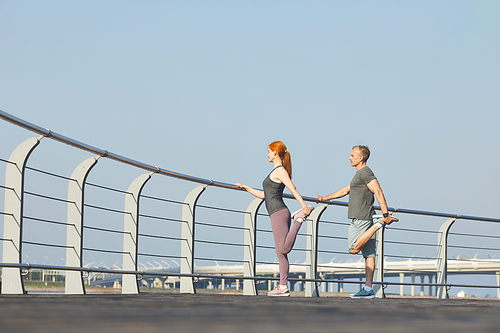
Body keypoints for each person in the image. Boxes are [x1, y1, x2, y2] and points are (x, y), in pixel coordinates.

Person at [316, 145, 394, 299]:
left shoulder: (365, 173)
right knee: (369, 255)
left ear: (361, 158)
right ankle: (368, 289)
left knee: (353, 248)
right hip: (368, 217)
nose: (349, 157)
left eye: (352, 155)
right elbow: (346, 190)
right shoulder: (359, 175)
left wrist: (384, 215)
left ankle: (378, 224)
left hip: (361, 218)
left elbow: (378, 191)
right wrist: (325, 198)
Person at [236, 141, 313, 297]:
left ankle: (298, 220)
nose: (267, 154)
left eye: (269, 151)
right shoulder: (274, 172)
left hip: (278, 212)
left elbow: (293, 188)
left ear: (275, 152)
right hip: (276, 212)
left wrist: (304, 208)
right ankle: (282, 286)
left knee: (284, 249)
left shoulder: (280, 171)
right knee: (281, 253)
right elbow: (265, 195)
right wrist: (246, 187)